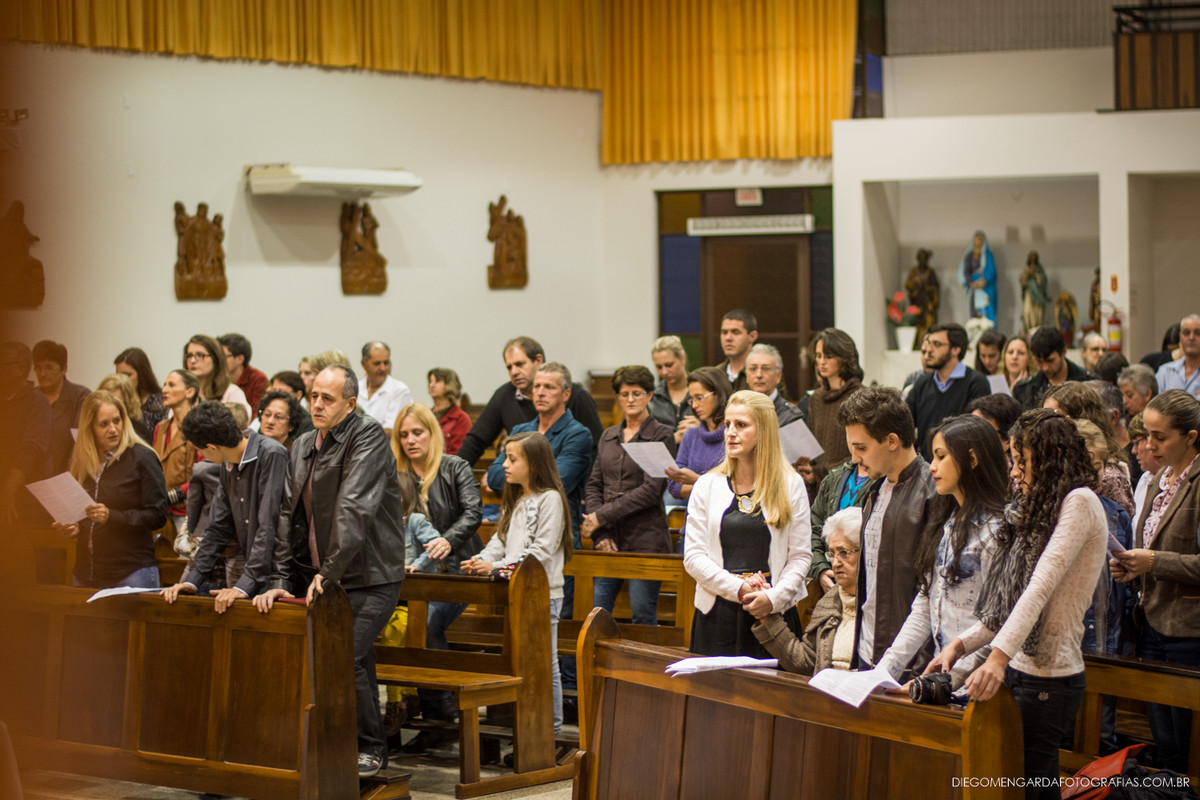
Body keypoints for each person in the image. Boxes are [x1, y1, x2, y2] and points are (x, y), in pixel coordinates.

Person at [931, 409, 1107, 800]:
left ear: (1051, 455)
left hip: (1051, 675)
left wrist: (996, 658)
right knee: (1013, 781)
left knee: (1031, 784)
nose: (1013, 471)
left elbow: (1039, 588)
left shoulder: (1079, 501)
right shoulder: (1041, 507)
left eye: (1021, 460)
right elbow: (1009, 602)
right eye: (1012, 460)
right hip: (1021, 670)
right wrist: (961, 645)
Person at [253, 365, 406, 779]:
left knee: (344, 657)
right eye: (313, 396)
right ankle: (343, 745)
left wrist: (332, 570)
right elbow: (287, 517)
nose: (316, 404)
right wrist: (282, 580)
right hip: (324, 575)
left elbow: (354, 506)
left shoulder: (368, 435)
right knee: (355, 661)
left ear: (350, 404)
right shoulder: (302, 443)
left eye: (328, 398)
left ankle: (369, 749)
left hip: (372, 574)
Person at [877, 415, 1008, 685]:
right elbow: (925, 606)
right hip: (943, 678)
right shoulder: (947, 523)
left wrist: (946, 681)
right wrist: (885, 671)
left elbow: (1000, 624)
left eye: (941, 457)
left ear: (972, 460)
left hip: (978, 684)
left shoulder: (997, 530)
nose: (932, 467)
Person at [1110, 389, 1200, 773]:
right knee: (1164, 744)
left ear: (1191, 437)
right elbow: (1150, 544)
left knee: (1186, 747)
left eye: (1160, 437)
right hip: (1151, 620)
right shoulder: (1160, 478)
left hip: (1187, 630)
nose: (1148, 445)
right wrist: (1132, 567)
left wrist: (1153, 561)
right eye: (1146, 435)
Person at [683, 391, 812, 657]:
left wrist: (773, 599)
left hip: (772, 612)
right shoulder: (707, 485)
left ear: (763, 431)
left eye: (741, 425)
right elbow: (693, 557)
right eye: (727, 424)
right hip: (717, 611)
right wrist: (738, 588)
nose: (730, 433)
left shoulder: (791, 484)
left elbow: (800, 557)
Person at [462, 431, 572, 731]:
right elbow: (501, 540)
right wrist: (481, 559)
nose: (504, 465)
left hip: (542, 592)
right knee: (519, 662)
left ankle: (552, 731)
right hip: (513, 589)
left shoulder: (550, 499)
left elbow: (542, 551)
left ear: (534, 464)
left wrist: (495, 567)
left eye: (512, 459)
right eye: (505, 458)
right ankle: (525, 729)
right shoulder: (516, 497)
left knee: (544, 663)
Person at [391, 402, 484, 743]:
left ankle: (441, 709)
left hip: (455, 574)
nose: (411, 440)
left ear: (433, 433)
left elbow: (474, 512)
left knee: (426, 621)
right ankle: (402, 708)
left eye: (417, 433)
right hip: (410, 577)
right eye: (404, 435)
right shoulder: (395, 474)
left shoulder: (454, 467)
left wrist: (448, 540)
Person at [839, 385, 938, 669]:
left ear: (892, 440)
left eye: (861, 448)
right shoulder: (874, 489)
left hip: (910, 661)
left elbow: (933, 591)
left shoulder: (933, 492)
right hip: (866, 650)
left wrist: (916, 665)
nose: (854, 458)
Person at [162, 402, 289, 611]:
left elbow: (268, 525)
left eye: (200, 451)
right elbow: (218, 527)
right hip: (255, 573)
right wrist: (192, 580)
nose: (202, 458)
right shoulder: (228, 463)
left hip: (278, 577)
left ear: (212, 447)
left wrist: (244, 586)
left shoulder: (271, 454)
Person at [582, 366, 677, 625]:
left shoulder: (661, 434)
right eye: (624, 394)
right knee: (597, 616)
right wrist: (601, 534)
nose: (630, 400)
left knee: (642, 616)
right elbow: (593, 486)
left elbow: (650, 491)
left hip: (645, 539)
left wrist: (600, 517)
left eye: (637, 393)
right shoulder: (609, 435)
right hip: (609, 539)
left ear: (649, 396)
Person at [54, 390, 167, 589]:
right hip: (86, 572)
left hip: (130, 571)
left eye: (117, 421)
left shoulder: (142, 457)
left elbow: (157, 516)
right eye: (104, 424)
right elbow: (83, 512)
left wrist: (112, 516)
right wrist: (74, 527)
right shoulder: (81, 461)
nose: (113, 429)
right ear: (89, 428)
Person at [456, 336, 602, 467]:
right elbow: (476, 441)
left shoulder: (575, 396)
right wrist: (452, 475)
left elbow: (596, 449)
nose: (513, 372)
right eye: (509, 367)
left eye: (520, 364)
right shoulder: (504, 396)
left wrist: (587, 493)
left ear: (538, 361)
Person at [752, 508, 863, 674]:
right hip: (828, 694)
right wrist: (766, 616)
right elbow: (805, 662)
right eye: (832, 554)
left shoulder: (887, 603)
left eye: (844, 553)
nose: (836, 562)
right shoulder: (830, 601)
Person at [1042, 382, 1133, 517]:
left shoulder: (1107, 475)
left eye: (1056, 419)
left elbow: (1118, 531)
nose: (1047, 426)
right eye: (1044, 418)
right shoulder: (1054, 462)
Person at [905, 323, 990, 460]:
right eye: (929, 343)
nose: (929, 349)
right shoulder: (922, 382)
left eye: (937, 344)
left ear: (955, 349)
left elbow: (977, 432)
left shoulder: (976, 382)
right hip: (927, 466)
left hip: (961, 465)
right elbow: (905, 423)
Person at [800, 328, 864, 493]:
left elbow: (862, 451)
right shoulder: (816, 398)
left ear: (844, 359)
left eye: (828, 357)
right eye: (818, 356)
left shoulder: (861, 397)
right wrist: (809, 468)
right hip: (819, 489)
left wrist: (821, 473)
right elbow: (816, 446)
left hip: (851, 486)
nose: (821, 362)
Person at [0, 341, 51, 525]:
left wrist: (7, 490)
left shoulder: (37, 402)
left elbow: (31, 449)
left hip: (26, 503)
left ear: (20, 368)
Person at [666, 367, 732, 501]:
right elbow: (674, 487)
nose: (694, 405)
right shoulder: (690, 436)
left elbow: (735, 489)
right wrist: (710, 487)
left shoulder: (734, 435)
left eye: (699, 398)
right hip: (694, 517)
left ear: (718, 394)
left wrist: (696, 480)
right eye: (691, 399)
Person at [154, 369, 202, 556]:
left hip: (186, 512)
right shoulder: (161, 427)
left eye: (171, 385)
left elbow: (202, 475)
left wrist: (171, 496)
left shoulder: (198, 426)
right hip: (161, 512)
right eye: (164, 385)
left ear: (189, 392)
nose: (164, 390)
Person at [806, 461, 871, 591]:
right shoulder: (835, 477)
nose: (855, 451)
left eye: (862, 447)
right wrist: (820, 569)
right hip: (830, 582)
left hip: (868, 585)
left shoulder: (889, 481)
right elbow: (812, 529)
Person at [33, 340, 91, 474]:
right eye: (38, 367)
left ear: (64, 368)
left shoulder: (80, 396)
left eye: (49, 367)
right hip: (33, 479)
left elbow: (80, 442)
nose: (42, 374)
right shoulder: (32, 399)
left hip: (69, 476)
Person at [1013, 326, 1097, 410]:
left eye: (1050, 361)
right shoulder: (1025, 389)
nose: (1045, 368)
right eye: (1039, 362)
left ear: (1063, 352)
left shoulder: (1090, 382)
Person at [183, 334, 251, 417]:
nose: (193, 361)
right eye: (189, 356)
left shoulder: (231, 392)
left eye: (200, 355)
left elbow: (241, 423)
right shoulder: (183, 392)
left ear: (215, 359)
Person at [648, 335, 696, 443]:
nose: (664, 372)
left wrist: (702, 427)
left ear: (682, 359)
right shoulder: (653, 397)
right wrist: (673, 439)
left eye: (669, 365)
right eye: (659, 367)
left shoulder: (700, 393)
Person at [358, 341, 413, 435]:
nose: (383, 368)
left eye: (386, 363)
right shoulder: (355, 388)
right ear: (364, 364)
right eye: (377, 364)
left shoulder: (400, 391)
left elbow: (390, 431)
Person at [114, 347, 165, 441]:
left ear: (142, 374)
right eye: (118, 375)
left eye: (127, 375)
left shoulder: (161, 401)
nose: (121, 380)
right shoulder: (115, 401)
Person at [745, 344, 803, 426]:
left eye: (766, 369)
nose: (758, 375)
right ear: (746, 375)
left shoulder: (791, 416)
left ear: (778, 376)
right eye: (753, 369)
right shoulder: (736, 411)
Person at [966, 393, 1023, 464]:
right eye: (969, 430)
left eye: (981, 432)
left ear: (1008, 441)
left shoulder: (1016, 474)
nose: (971, 439)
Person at [219, 333, 268, 415]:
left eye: (223, 356)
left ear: (240, 359)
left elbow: (256, 414)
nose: (219, 361)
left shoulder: (258, 379)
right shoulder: (215, 378)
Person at [427, 367, 471, 455]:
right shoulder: (425, 415)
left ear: (449, 385)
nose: (431, 385)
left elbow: (459, 454)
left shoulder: (461, 418)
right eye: (430, 381)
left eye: (437, 381)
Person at [1155, 314, 1200, 398]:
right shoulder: (1165, 372)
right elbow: (1155, 407)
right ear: (1180, 337)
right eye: (1186, 333)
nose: (1191, 337)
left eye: (1197, 333)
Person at [714, 309, 758, 392]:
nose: (728, 338)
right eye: (724, 332)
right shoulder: (716, 374)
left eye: (736, 332)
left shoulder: (762, 373)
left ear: (752, 336)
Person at [958, 230, 996, 325]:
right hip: (973, 288)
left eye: (980, 239)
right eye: (976, 239)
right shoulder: (969, 256)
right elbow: (966, 271)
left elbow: (991, 271)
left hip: (985, 288)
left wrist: (983, 282)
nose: (978, 241)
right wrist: (970, 282)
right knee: (974, 310)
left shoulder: (987, 255)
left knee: (986, 310)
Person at [96, 373, 143, 438]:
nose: (110, 406)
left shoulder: (139, 432)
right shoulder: (95, 427)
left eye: (116, 402)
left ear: (128, 403)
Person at [1020, 250, 1050, 332]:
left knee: (1037, 313)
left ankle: (1036, 327)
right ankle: (1029, 328)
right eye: (1032, 258)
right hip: (1029, 294)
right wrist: (1027, 275)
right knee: (1027, 312)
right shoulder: (1026, 269)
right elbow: (1022, 280)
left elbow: (1043, 280)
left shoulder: (1040, 269)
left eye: (1035, 258)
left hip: (1038, 294)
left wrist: (1035, 275)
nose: (1033, 259)